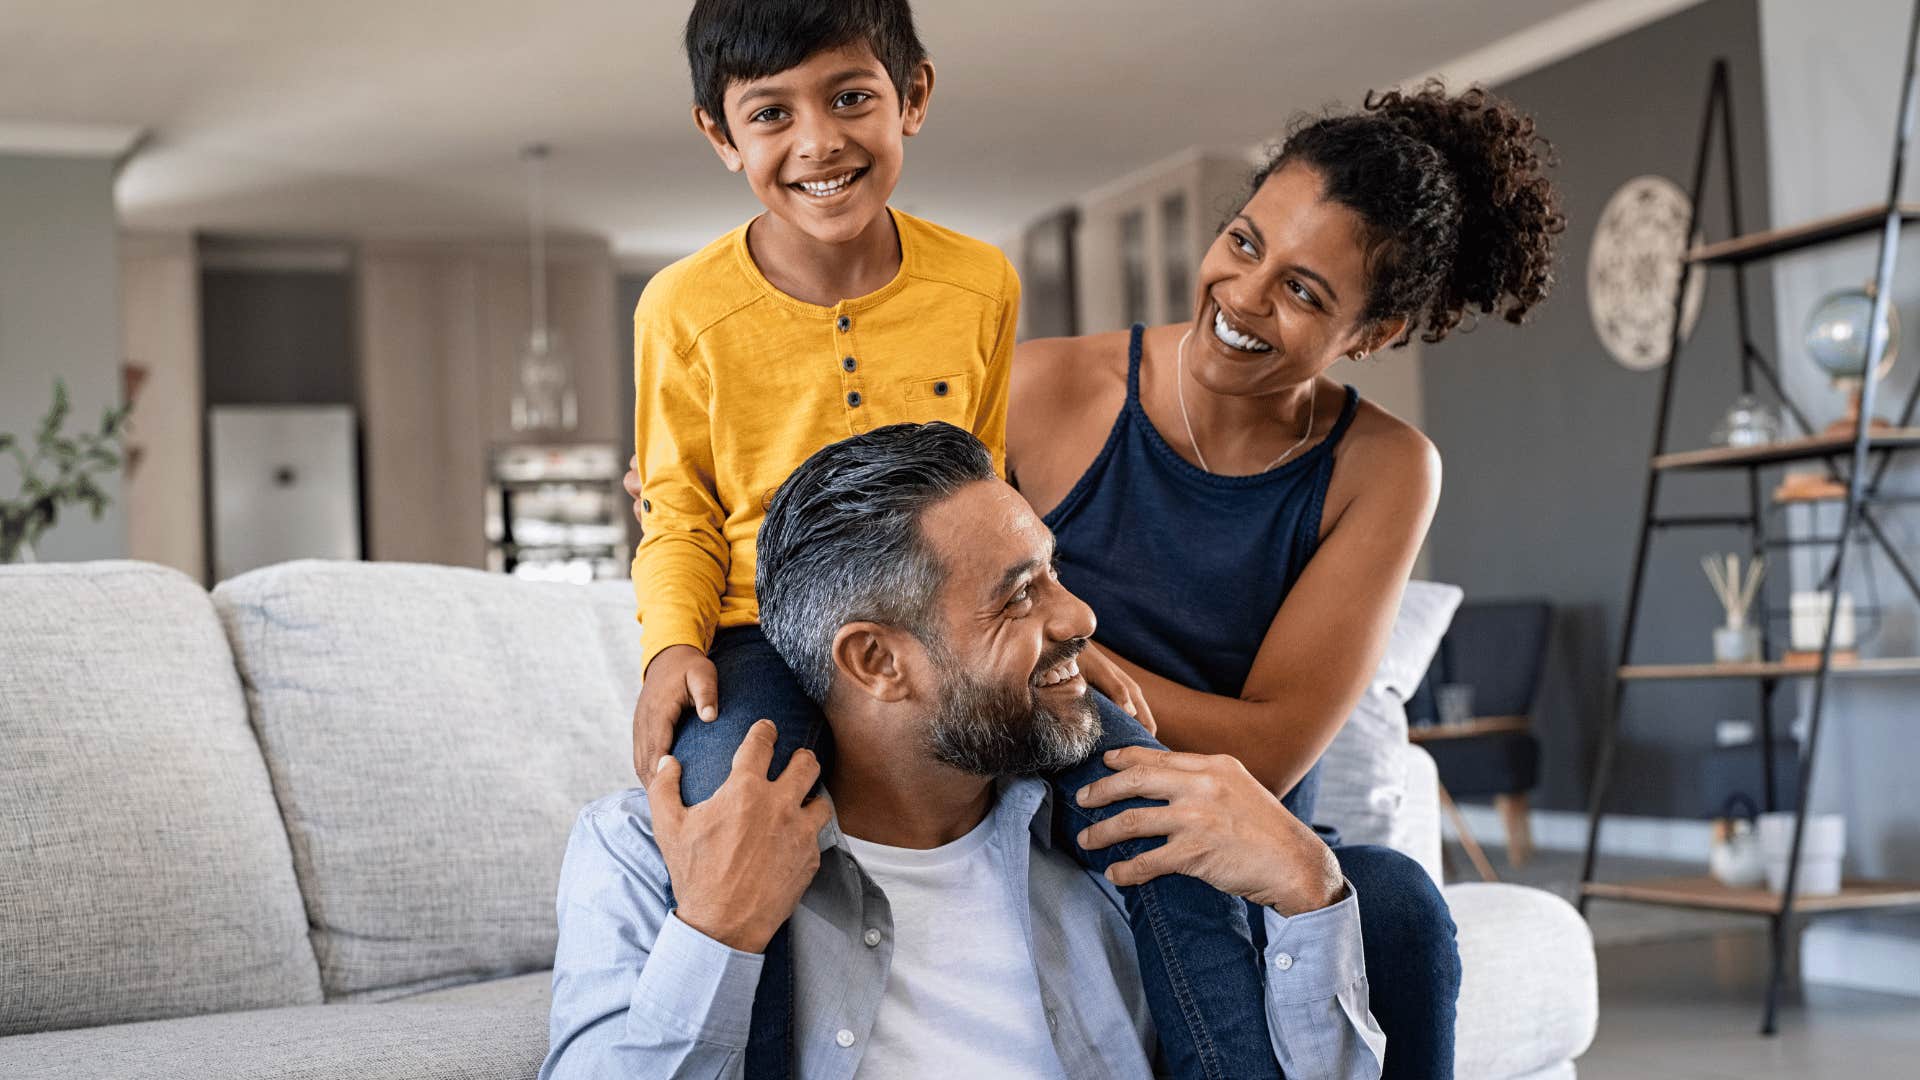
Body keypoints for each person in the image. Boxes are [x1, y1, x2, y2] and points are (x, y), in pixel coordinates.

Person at [626, 2, 1276, 1076]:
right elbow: (681, 511)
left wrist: (1056, 644)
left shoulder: (979, 282)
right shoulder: (681, 310)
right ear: (719, 136)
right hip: (756, 629)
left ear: (913, 96)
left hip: (948, 626)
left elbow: (985, 492)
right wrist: (669, 647)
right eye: (770, 114)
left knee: (1148, 789)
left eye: (850, 97)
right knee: (736, 812)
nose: (817, 142)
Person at [1004, 83, 1565, 1079]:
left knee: (1396, 906)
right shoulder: (1038, 389)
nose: (1245, 296)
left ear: (1375, 333)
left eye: (1306, 292)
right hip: (1045, 798)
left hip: (1250, 827)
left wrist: (1073, 654)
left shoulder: (1382, 468)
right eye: (1245, 242)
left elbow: (1271, 745)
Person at [546, 422, 1386, 1079]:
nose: (1082, 621)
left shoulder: (1132, 839)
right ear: (876, 661)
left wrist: (1309, 891)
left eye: (1052, 573)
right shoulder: (641, 857)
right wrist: (716, 933)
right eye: (1020, 595)